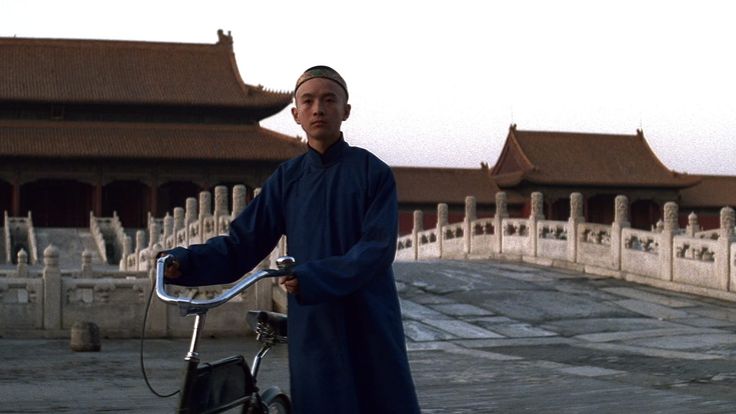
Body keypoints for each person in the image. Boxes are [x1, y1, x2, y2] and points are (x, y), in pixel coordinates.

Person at [163, 65, 421, 413]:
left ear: (346, 110)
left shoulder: (373, 173)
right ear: (296, 114)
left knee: (377, 400)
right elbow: (243, 244)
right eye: (309, 101)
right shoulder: (287, 179)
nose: (319, 109)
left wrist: (314, 277)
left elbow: (375, 250)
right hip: (314, 321)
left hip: (368, 316)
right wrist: (185, 262)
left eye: (329, 100)